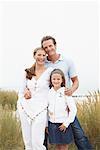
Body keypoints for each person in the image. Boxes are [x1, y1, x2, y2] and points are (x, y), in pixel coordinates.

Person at [24, 36, 92, 150]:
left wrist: (71, 90)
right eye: (45, 47)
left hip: (65, 105)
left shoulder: (67, 61)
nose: (48, 49)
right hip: (48, 105)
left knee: (79, 135)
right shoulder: (42, 62)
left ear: (55, 45)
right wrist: (26, 89)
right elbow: (31, 76)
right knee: (43, 135)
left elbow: (75, 81)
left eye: (50, 45)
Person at [17, 47, 53, 150]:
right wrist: (25, 92)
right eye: (39, 55)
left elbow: (55, 87)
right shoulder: (27, 72)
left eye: (43, 55)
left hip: (41, 109)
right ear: (34, 56)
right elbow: (21, 91)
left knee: (37, 142)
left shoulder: (49, 71)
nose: (41, 57)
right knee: (28, 142)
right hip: (25, 108)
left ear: (46, 56)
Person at [47, 69, 77, 150]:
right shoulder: (49, 92)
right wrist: (46, 125)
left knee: (64, 147)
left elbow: (73, 110)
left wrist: (66, 124)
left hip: (63, 124)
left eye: (58, 79)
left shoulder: (65, 92)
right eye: (54, 79)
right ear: (50, 80)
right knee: (57, 146)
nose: (56, 81)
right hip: (52, 124)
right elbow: (46, 109)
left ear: (62, 80)